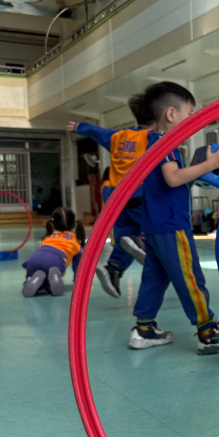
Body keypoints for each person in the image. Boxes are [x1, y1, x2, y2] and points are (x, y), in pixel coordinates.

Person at [128, 83, 219, 353]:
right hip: (171, 224)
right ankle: (207, 331)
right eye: (189, 114)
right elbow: (173, 178)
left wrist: (201, 171)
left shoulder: (153, 141)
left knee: (155, 277)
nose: (192, 120)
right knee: (190, 276)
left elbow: (171, 181)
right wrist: (210, 164)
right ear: (171, 114)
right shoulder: (166, 142)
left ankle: (143, 328)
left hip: (155, 225)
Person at [66, 89, 158, 299]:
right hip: (139, 195)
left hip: (118, 198)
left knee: (126, 239)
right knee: (151, 224)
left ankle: (113, 269)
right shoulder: (152, 137)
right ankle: (142, 240)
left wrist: (80, 127)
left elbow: (98, 132)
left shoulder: (119, 137)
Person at [22, 207, 86, 297]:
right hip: (56, 260)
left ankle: (32, 280)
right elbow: (78, 266)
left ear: (53, 223)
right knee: (49, 279)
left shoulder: (49, 237)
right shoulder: (74, 240)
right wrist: (79, 281)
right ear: (74, 224)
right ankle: (52, 280)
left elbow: (43, 252)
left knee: (35, 275)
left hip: (34, 259)